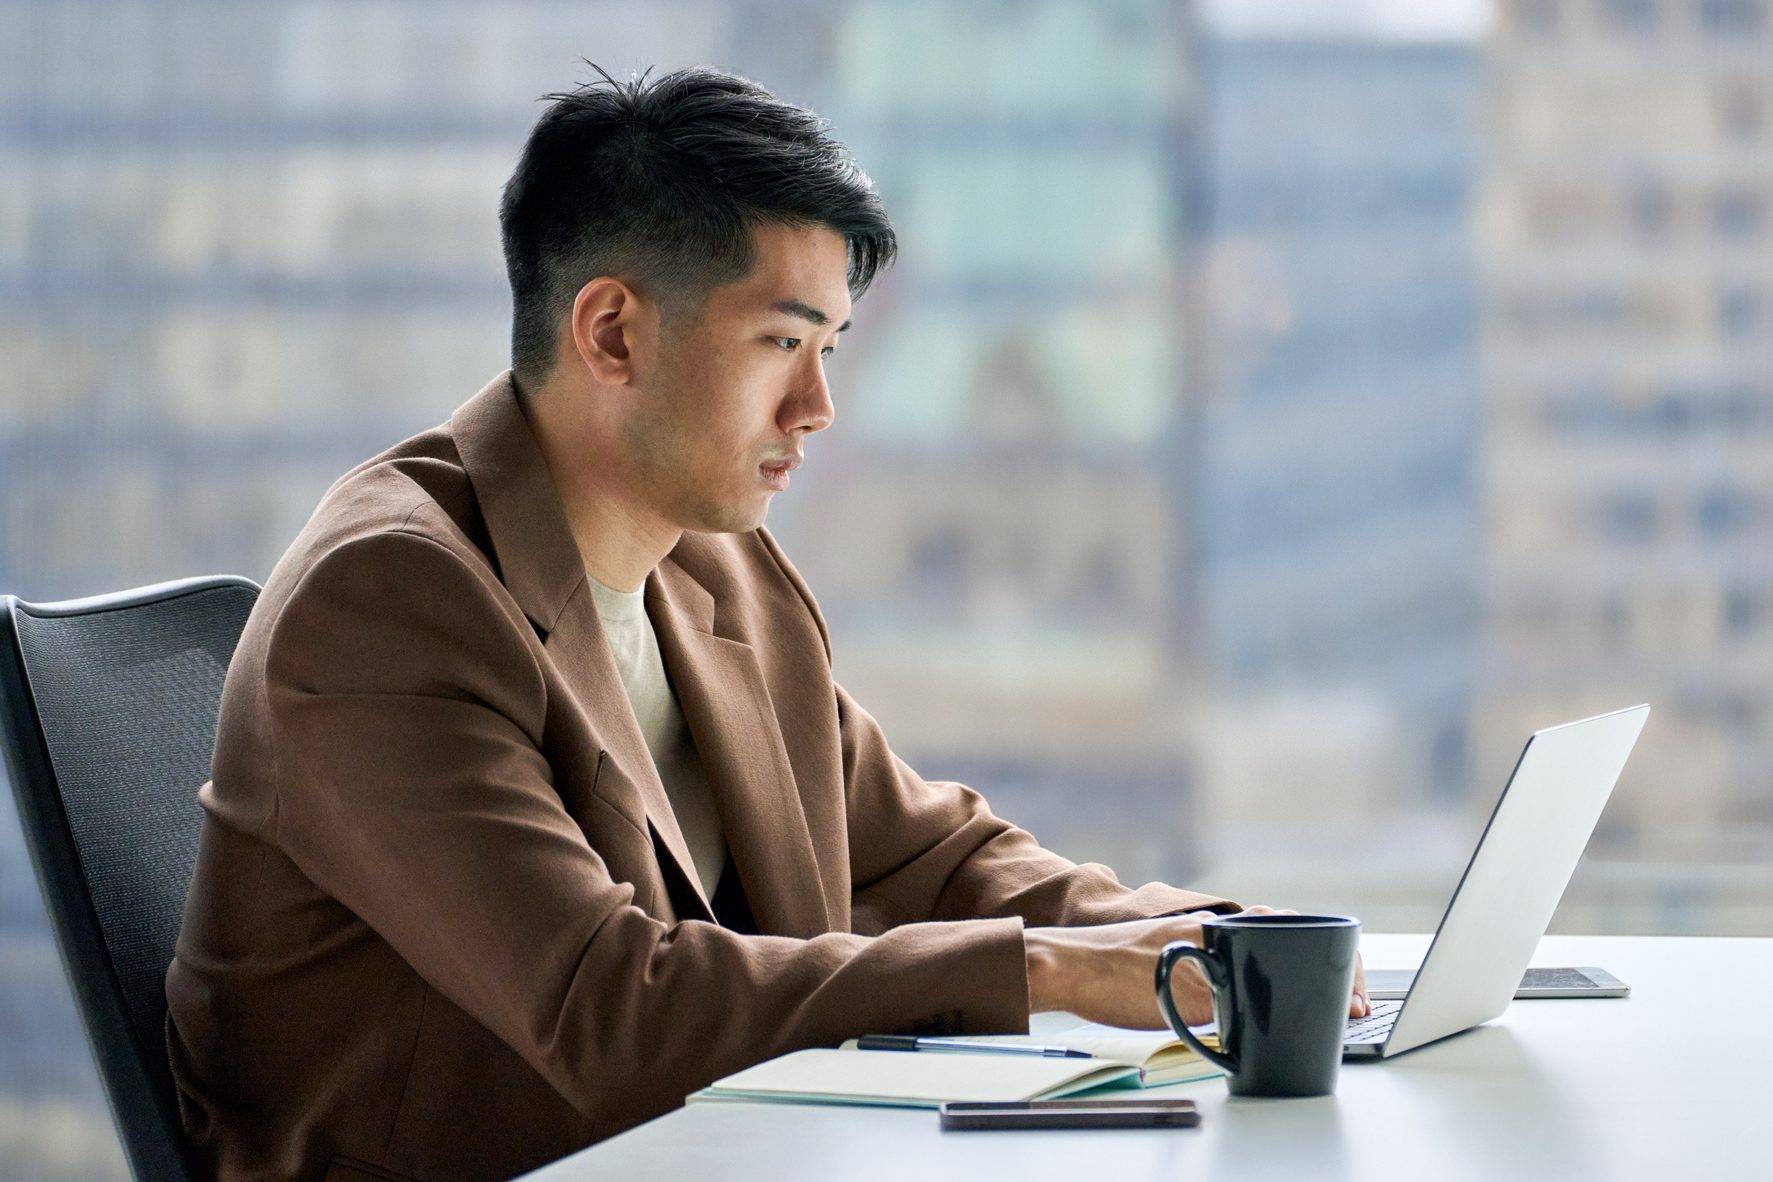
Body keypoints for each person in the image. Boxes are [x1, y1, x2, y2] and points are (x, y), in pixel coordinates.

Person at [165, 65, 1366, 1182]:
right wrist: (1050, 970)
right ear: (612, 333)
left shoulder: (720, 570)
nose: (821, 405)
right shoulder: (390, 600)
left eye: (830, 348)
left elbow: (920, 855)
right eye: (784, 343)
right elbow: (608, 1002)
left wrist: (1168, 930)